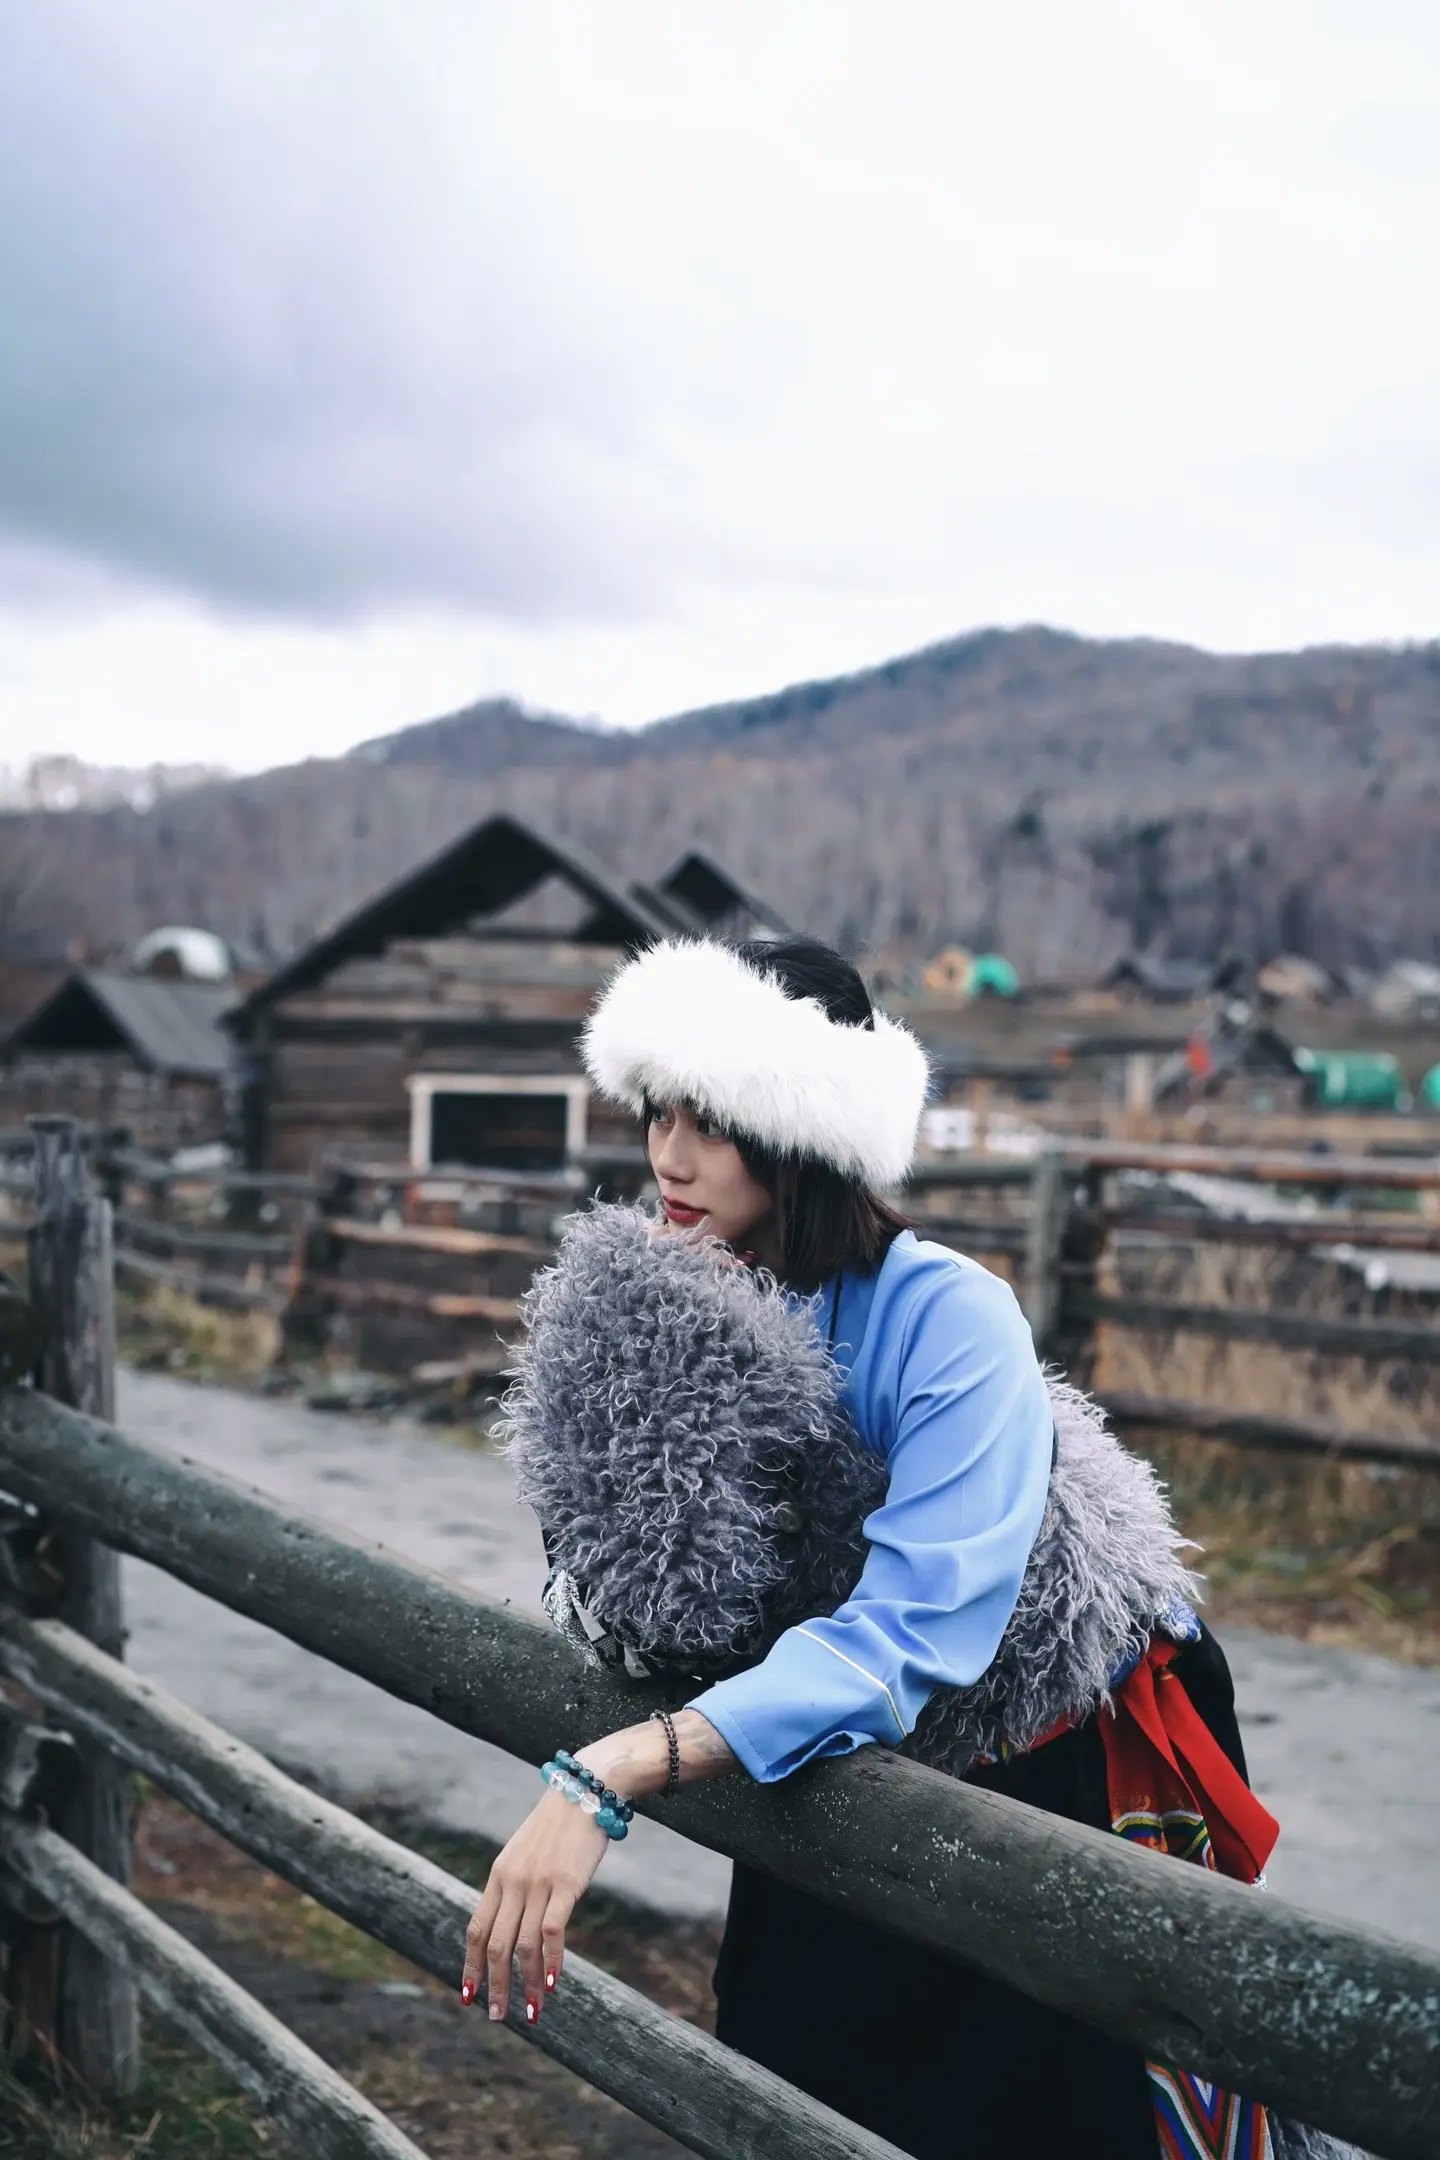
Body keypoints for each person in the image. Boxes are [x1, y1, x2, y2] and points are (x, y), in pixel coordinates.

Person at [461, 933, 1287, 2160]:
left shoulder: (944, 1312)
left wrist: (612, 1771)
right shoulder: (676, 1290)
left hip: (1033, 1752)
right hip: (806, 1741)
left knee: (1037, 2104)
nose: (669, 1156)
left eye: (714, 1118)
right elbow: (630, 1588)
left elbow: (916, 1626)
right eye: (657, 1112)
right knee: (797, 2066)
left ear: (804, 1130)